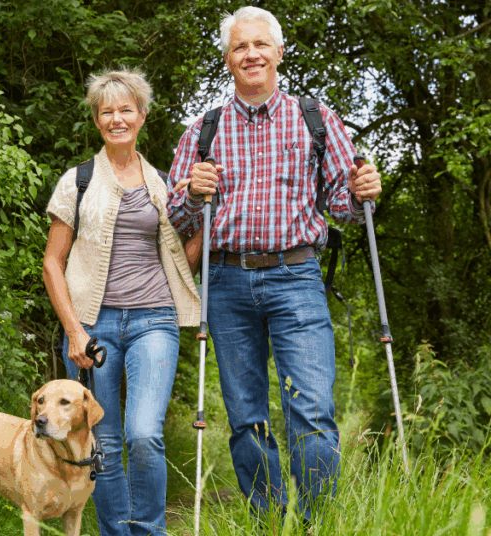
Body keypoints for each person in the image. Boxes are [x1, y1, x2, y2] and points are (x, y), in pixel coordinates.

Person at [166, 6, 383, 523]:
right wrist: (193, 194)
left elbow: (345, 207)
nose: (251, 55)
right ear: (227, 60)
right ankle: (266, 520)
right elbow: (173, 215)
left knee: (310, 411)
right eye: (240, 47)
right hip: (226, 279)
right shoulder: (204, 129)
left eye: (260, 45)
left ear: (279, 52)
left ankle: (315, 523)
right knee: (245, 418)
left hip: (296, 277)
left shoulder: (316, 119)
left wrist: (362, 192)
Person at [43, 67, 201, 536]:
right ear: (96, 120)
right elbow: (53, 263)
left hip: (155, 319)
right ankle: (115, 531)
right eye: (106, 111)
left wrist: (208, 224)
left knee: (144, 434)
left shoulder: (164, 184)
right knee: (102, 437)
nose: (116, 119)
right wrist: (74, 330)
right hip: (93, 325)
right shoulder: (79, 181)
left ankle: (149, 531)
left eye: (125, 110)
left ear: (142, 116)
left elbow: (179, 261)